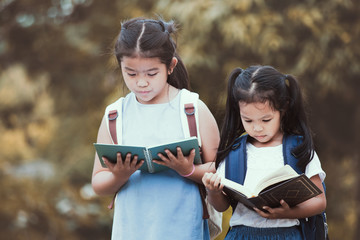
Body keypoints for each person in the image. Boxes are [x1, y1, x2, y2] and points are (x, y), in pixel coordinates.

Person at [91, 17, 220, 240]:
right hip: (131, 230)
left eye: (151, 74)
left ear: (170, 66)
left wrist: (187, 170)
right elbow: (98, 183)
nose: (141, 83)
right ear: (120, 66)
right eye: (131, 73)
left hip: (184, 229)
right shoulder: (115, 116)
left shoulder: (191, 109)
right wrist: (119, 175)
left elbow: (220, 170)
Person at [202, 65, 327, 240]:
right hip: (242, 234)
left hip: (287, 234)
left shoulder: (298, 148)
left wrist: (288, 213)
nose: (257, 127)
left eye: (266, 119)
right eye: (248, 120)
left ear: (283, 110)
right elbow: (223, 207)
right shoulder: (235, 152)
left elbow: (319, 202)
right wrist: (213, 191)